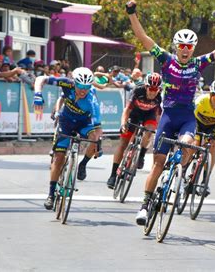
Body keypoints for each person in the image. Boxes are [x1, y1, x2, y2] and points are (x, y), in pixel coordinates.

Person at [125, 0, 215, 225]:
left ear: (193, 49)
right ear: (176, 47)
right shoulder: (166, 60)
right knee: (158, 162)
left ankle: (179, 177)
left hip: (187, 118)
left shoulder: (199, 63)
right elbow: (144, 38)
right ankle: (145, 205)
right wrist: (132, 14)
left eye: (189, 47)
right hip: (168, 116)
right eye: (182, 47)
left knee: (186, 144)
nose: (185, 50)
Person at [34, 67, 103, 210]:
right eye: (80, 86)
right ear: (74, 82)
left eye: (87, 87)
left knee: (93, 138)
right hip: (66, 121)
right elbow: (41, 79)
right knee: (59, 156)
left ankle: (83, 164)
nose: (83, 90)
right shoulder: (67, 84)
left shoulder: (92, 100)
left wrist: (98, 143)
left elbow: (97, 127)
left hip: (84, 124)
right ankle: (51, 194)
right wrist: (38, 94)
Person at [106, 73, 163, 189]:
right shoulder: (137, 91)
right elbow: (126, 110)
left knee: (150, 130)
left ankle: (141, 154)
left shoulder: (158, 97)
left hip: (149, 115)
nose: (153, 92)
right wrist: (123, 124)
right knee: (123, 143)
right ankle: (113, 175)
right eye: (150, 88)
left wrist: (158, 130)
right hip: (134, 114)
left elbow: (158, 116)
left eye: (155, 89)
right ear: (146, 87)